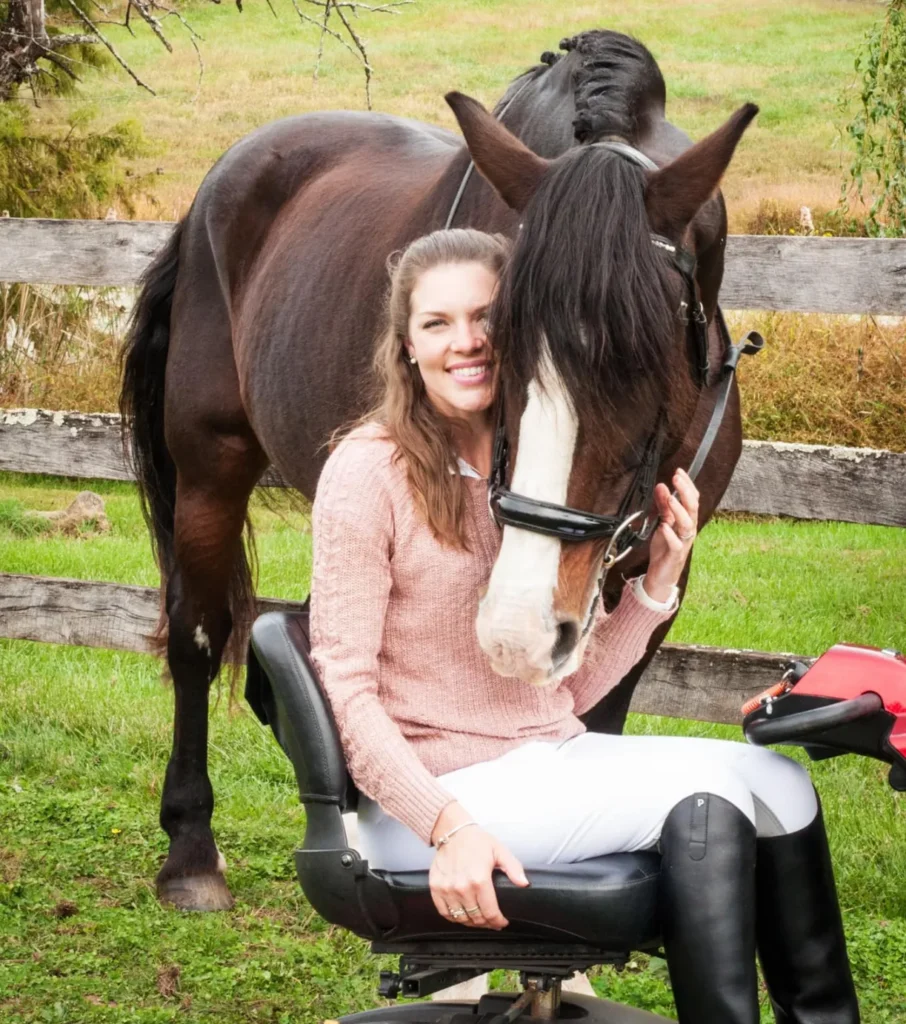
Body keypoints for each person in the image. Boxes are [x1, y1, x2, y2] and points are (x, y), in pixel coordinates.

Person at [309, 228, 860, 1024]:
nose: (465, 342)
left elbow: (562, 693)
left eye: (485, 318)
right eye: (437, 324)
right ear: (406, 345)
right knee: (711, 794)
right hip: (434, 801)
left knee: (784, 781)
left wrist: (655, 585)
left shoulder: (529, 469)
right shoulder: (368, 471)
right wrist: (447, 825)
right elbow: (345, 689)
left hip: (540, 763)